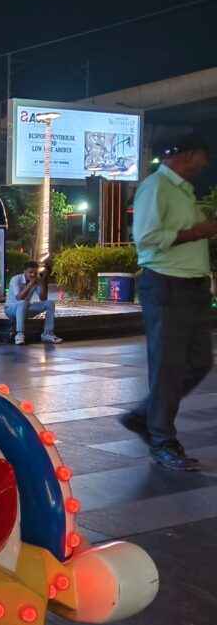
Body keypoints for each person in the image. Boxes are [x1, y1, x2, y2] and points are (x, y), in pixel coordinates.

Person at [122, 134, 215, 472]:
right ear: (186, 154)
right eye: (203, 156)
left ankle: (144, 416)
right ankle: (162, 440)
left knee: (199, 362)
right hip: (166, 285)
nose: (205, 164)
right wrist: (199, 231)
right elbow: (147, 238)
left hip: (192, 286)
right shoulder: (155, 187)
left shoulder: (184, 190)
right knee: (168, 367)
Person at [5, 260, 62, 345]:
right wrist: (31, 284)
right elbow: (19, 297)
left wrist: (42, 281)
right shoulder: (16, 279)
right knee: (23, 302)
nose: (33, 275)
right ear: (24, 271)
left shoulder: (36, 280)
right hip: (11, 309)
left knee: (49, 303)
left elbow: (43, 298)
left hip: (25, 308)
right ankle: (20, 334)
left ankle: (47, 334)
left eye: (35, 273)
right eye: (30, 272)